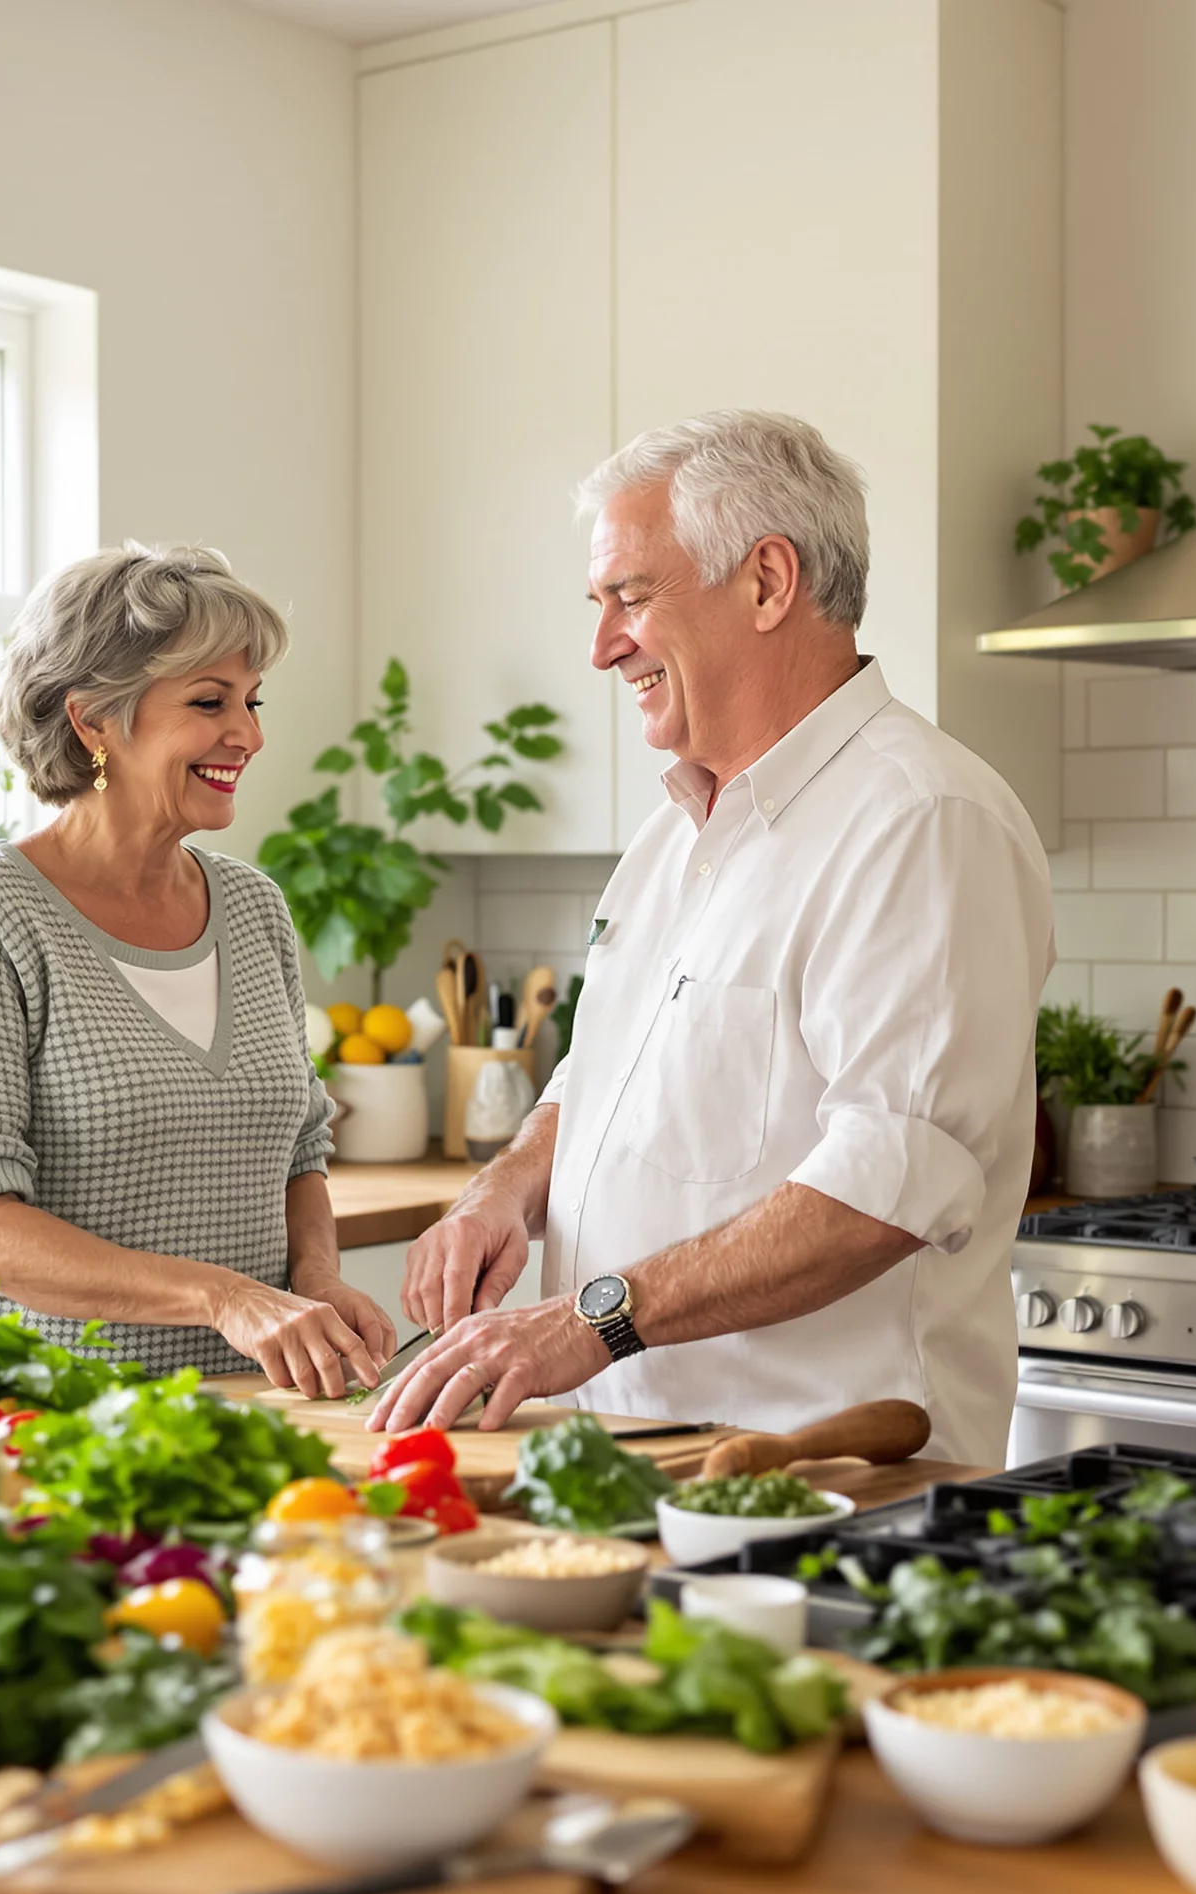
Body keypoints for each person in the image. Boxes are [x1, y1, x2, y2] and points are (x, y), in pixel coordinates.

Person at [375, 412, 1054, 1464]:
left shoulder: (920, 818)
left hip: (822, 1474)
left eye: (629, 598)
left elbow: (882, 1187)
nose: (601, 646)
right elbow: (601, 1079)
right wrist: (499, 1189)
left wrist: (586, 1319)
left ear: (767, 582)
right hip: (638, 1455)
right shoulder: (670, 833)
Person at [0, 541, 395, 1396]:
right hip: (42, 1413)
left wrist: (314, 1276)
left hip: (242, 1408)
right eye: (209, 702)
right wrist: (222, 1297)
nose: (251, 734)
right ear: (93, 721)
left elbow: (300, 1148)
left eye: (251, 701)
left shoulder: (252, 906)